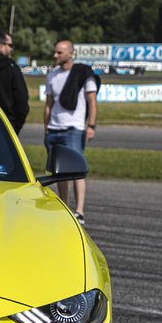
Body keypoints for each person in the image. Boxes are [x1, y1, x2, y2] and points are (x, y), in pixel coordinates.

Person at [45, 39, 99, 224]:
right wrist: (46, 128)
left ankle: (79, 211)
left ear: (70, 53)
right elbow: (48, 104)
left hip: (74, 128)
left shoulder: (83, 74)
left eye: (59, 52)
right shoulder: (52, 76)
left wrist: (91, 126)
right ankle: (65, 207)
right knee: (61, 172)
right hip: (54, 128)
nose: (55, 55)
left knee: (76, 170)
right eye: (55, 52)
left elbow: (92, 102)